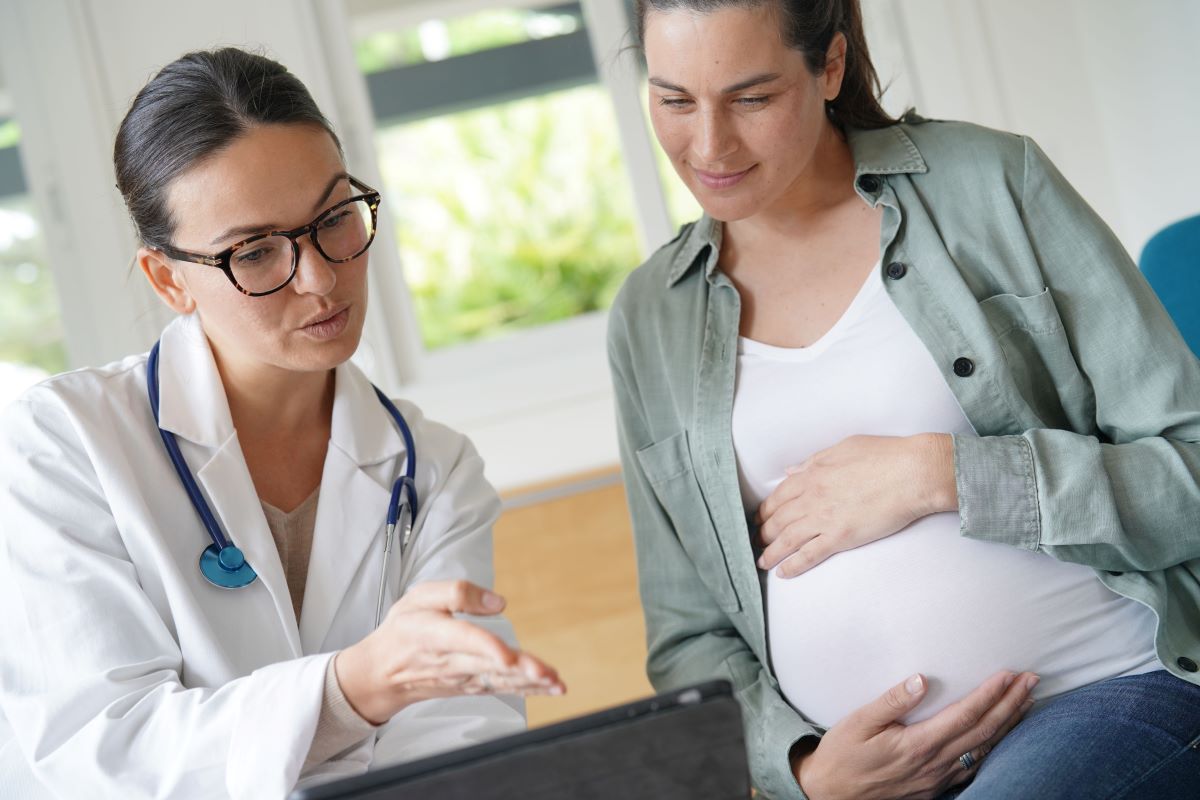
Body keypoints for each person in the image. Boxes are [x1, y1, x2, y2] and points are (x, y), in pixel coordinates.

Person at [608, 2, 1200, 798]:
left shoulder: (991, 185)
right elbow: (690, 637)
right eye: (674, 100)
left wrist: (941, 474)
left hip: (1106, 687)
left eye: (751, 98)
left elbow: (1189, 477)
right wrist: (805, 774)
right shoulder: (651, 317)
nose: (708, 145)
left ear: (831, 66)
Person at [0, 48, 564, 799]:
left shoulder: (432, 469)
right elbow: (101, 755)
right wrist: (352, 693)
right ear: (170, 280)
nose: (322, 278)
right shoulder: (62, 444)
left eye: (333, 218)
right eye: (256, 252)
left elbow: (459, 745)